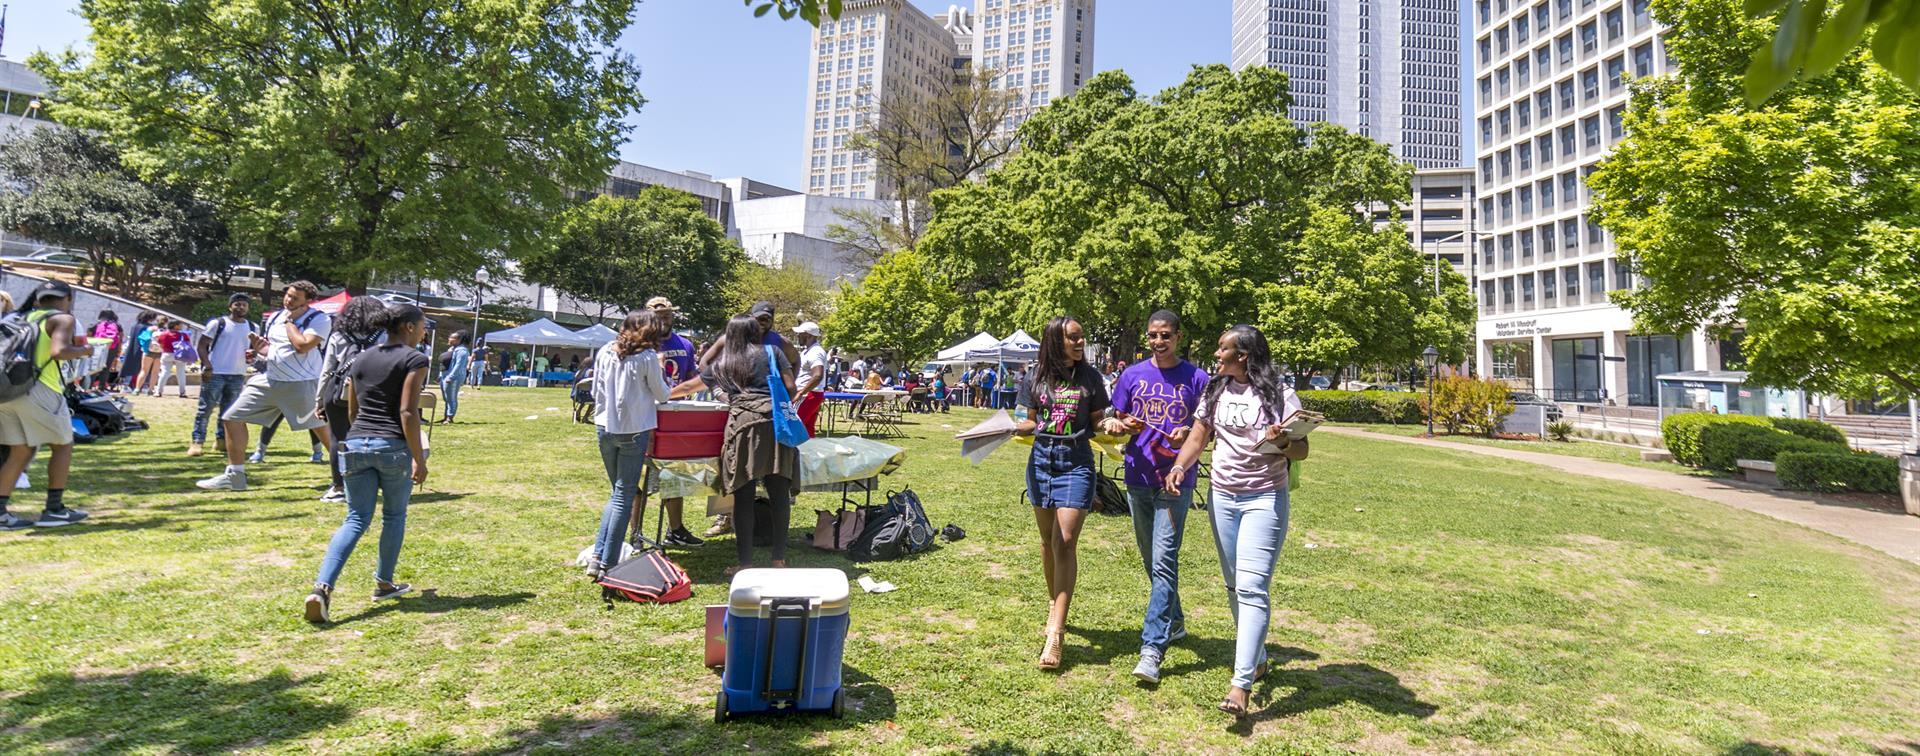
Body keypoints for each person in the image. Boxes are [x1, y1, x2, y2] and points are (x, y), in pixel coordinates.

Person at [1163, 324, 1310, 718]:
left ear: (1242, 355)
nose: (1216, 354)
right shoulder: (1216, 389)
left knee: (1252, 587)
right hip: (1223, 497)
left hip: (1264, 497)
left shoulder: (1279, 392)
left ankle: (1240, 683)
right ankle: (1258, 658)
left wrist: (1282, 440)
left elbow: (1302, 450)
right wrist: (1180, 466)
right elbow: (1199, 435)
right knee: (1233, 583)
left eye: (1222, 349)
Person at [303, 303, 431, 624]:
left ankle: (321, 588)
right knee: (393, 516)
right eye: (424, 325)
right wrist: (419, 458)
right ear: (409, 327)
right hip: (392, 446)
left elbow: (352, 408)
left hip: (356, 442)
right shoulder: (415, 359)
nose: (425, 331)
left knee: (355, 519)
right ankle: (384, 583)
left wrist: (359, 437)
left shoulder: (362, 357)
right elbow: (407, 412)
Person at [1101, 311, 1210, 684]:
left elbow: (1205, 429)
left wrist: (1187, 433)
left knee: (1164, 561)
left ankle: (1152, 649)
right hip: (1138, 476)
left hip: (1176, 480)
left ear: (1179, 337)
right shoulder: (1132, 375)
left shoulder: (1197, 378)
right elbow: (1115, 421)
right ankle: (1175, 620)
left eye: (1165, 335)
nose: (1158, 342)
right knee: (1151, 558)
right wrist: (1116, 425)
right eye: (1152, 336)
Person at [1012, 316, 1112, 670]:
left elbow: (1098, 421)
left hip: (1077, 461)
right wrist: (1008, 427)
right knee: (1046, 541)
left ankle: (1056, 631)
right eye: (1073, 337)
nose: (1079, 341)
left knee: (1065, 540)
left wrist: (1109, 423)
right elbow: (1031, 420)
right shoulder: (1036, 375)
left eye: (1081, 336)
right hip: (1041, 460)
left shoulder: (1091, 377)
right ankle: (1054, 603)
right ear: (1056, 340)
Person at [197, 281, 335, 492]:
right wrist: (260, 350)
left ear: (308, 301)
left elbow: (302, 346)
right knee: (231, 417)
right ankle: (235, 476)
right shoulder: (275, 317)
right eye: (288, 295)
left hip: (301, 383)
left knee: (321, 430)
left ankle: (346, 479)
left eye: (295, 298)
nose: (288, 300)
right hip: (269, 379)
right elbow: (275, 349)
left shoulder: (319, 319)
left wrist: (290, 323)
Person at [584, 310, 673, 579]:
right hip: (634, 430)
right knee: (623, 495)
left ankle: (598, 557)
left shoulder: (604, 351)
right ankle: (608, 562)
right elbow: (663, 394)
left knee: (618, 493)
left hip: (604, 427)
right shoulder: (647, 358)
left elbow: (594, 391)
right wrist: (660, 367)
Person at [708, 315, 799, 577]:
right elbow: (791, 387)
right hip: (775, 423)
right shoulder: (774, 351)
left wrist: (735, 399)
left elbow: (709, 381)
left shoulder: (725, 361)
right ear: (754, 332)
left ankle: (745, 564)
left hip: (742, 425)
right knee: (779, 494)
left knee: (742, 496)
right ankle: (779, 560)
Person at [0, 281, 95, 530]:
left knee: (19, 451)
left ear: (38, 298)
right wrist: (84, 350)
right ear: (68, 298)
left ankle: (0, 513)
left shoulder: (19, 318)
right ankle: (54, 509)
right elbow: (59, 351)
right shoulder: (62, 319)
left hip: (7, 390)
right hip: (40, 390)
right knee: (63, 445)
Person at [641, 297, 709, 545]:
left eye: (668, 315)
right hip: (644, 414)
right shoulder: (640, 343)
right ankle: (635, 534)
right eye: (660, 315)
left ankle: (676, 529)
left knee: (675, 473)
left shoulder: (685, 344)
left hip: (676, 414)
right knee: (640, 479)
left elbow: (692, 374)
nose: (665, 319)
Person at [313, 296, 387, 502]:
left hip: (338, 393)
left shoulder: (339, 335)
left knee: (339, 438)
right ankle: (370, 483)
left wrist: (318, 400)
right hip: (372, 393)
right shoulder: (383, 335)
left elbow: (327, 370)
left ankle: (338, 486)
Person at [190, 293, 255, 457]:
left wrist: (252, 356)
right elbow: (202, 345)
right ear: (230, 306)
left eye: (244, 305)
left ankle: (221, 441)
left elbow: (252, 349)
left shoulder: (253, 327)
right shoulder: (218, 323)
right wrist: (207, 365)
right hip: (216, 372)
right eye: (237, 304)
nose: (240, 307)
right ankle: (197, 442)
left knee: (228, 412)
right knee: (205, 409)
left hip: (237, 374)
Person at [792, 321, 828, 436]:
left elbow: (817, 375)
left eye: (800, 334)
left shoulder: (815, 352)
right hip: (812, 394)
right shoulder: (808, 351)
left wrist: (801, 392)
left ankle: (790, 454)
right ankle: (808, 453)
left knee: (793, 426)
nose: (798, 336)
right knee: (807, 429)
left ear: (808, 335)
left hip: (807, 395)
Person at [153, 319, 193, 398]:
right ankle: (182, 392)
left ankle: (158, 392)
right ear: (176, 326)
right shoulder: (183, 335)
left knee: (165, 373)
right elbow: (188, 345)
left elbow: (160, 343)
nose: (181, 326)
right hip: (180, 355)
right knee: (181, 373)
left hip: (167, 354)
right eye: (180, 324)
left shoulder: (164, 334)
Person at [117, 312, 154, 391]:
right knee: (146, 368)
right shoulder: (150, 327)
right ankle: (144, 386)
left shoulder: (134, 326)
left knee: (130, 366)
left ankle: (125, 386)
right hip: (145, 349)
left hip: (132, 348)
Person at [439, 331, 470, 424]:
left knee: (451, 397)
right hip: (445, 375)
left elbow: (458, 365)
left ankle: (449, 417)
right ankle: (445, 417)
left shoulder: (462, 351)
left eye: (452, 338)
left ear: (458, 340)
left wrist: (451, 377)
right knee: (446, 397)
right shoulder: (453, 349)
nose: (449, 339)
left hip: (454, 377)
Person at [136, 315, 169, 395]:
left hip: (148, 352)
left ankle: (137, 389)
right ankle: (151, 390)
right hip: (160, 353)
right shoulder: (166, 331)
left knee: (144, 370)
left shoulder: (151, 329)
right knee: (155, 372)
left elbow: (143, 338)